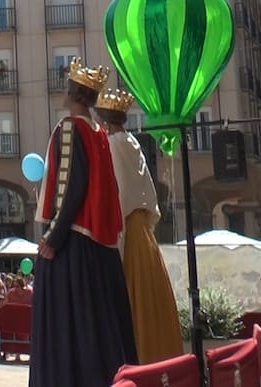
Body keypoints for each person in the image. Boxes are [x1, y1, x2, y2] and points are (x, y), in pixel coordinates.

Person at [30, 58, 137, 387]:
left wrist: (53, 237)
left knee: (66, 323)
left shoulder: (70, 128)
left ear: (74, 94)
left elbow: (70, 186)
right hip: (99, 246)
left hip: (72, 244)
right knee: (101, 324)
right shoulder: (100, 133)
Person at [94, 87, 182, 364]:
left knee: (133, 304)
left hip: (127, 231)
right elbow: (148, 192)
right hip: (144, 231)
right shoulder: (132, 142)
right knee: (152, 301)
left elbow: (118, 193)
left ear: (106, 123)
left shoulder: (115, 146)